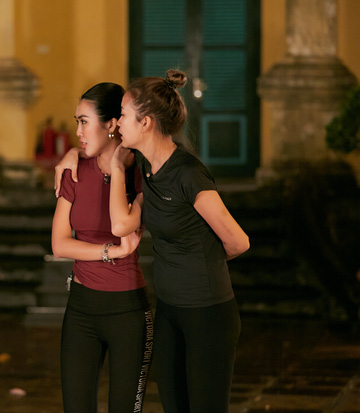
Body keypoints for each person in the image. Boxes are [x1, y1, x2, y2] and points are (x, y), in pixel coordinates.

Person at [55, 70, 250, 413]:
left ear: (143, 122)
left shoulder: (181, 173)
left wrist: (200, 265)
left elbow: (238, 242)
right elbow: (112, 227)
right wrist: (82, 156)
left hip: (203, 309)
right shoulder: (147, 171)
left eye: (123, 116)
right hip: (169, 309)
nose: (118, 123)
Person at [51, 82, 153, 413]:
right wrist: (111, 252)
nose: (77, 132)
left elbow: (124, 226)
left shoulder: (141, 174)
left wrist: (118, 168)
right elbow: (59, 244)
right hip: (81, 309)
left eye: (84, 122)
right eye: (77, 122)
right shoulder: (74, 171)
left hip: (128, 311)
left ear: (111, 124)